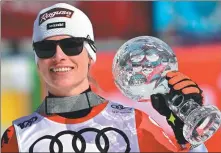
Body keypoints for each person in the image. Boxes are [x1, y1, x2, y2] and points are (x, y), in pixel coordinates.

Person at [1, 3, 208, 152]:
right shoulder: (17, 137)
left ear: (91, 54)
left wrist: (189, 137)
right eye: (45, 49)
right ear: (37, 60)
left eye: (71, 46)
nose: (59, 56)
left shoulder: (133, 123)